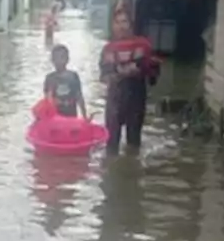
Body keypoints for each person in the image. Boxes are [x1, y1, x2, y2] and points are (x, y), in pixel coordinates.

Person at [99, 8, 157, 154]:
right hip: (115, 98)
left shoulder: (143, 45)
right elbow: (103, 75)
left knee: (134, 142)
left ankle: (132, 171)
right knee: (111, 143)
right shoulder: (108, 49)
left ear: (131, 25)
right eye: (117, 22)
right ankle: (111, 171)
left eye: (124, 22)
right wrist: (116, 75)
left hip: (136, 98)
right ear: (112, 26)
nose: (121, 26)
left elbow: (153, 73)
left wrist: (145, 70)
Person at [43, 44, 87, 119]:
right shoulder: (50, 78)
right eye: (56, 58)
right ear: (52, 60)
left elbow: (79, 97)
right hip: (55, 117)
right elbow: (47, 99)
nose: (59, 61)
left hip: (71, 115)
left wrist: (85, 116)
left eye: (62, 57)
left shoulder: (73, 76)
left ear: (67, 59)